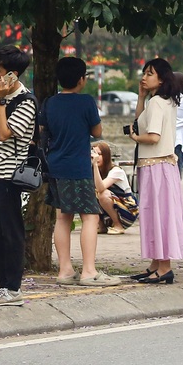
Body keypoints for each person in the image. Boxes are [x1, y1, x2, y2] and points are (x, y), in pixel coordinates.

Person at [41, 57, 107, 284]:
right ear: (81, 79)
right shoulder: (86, 102)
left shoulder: (50, 103)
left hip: (55, 165)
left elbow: (43, 130)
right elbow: (97, 131)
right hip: (77, 166)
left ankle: (65, 270)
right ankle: (89, 271)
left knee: (63, 217)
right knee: (90, 216)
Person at [0, 45, 37, 307]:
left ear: (13, 75)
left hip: (9, 175)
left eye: (0, 72)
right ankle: (2, 283)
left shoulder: (26, 102)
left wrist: (1, 102)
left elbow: (3, 133)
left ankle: (13, 287)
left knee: (11, 232)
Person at [128, 58, 183, 284]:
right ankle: (156, 264)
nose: (144, 77)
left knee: (158, 215)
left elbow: (152, 137)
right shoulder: (165, 101)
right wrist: (142, 97)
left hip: (155, 166)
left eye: (150, 73)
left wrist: (135, 138)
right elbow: (140, 121)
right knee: (158, 214)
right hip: (163, 166)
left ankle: (164, 267)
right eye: (144, 73)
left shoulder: (156, 103)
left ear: (161, 78)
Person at [91, 141, 138, 235]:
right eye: (94, 154)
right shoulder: (94, 171)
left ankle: (118, 225)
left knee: (102, 194)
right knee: (89, 192)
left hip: (127, 211)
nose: (96, 157)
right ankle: (101, 225)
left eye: (99, 154)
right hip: (110, 211)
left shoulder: (116, 171)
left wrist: (95, 165)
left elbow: (100, 188)